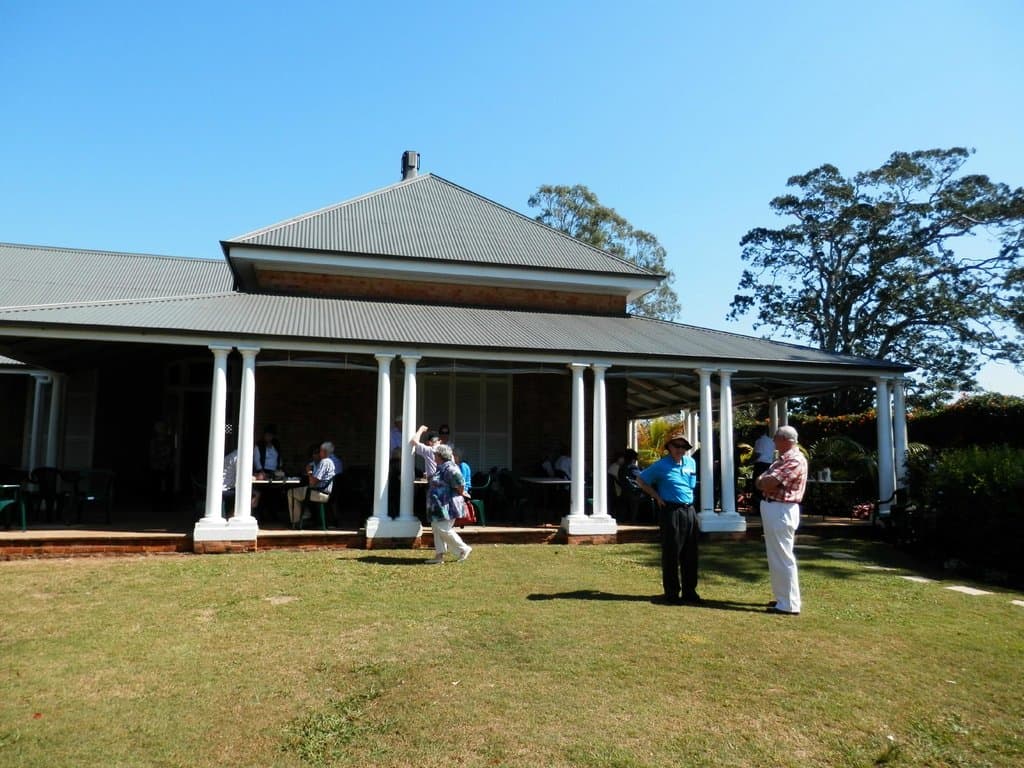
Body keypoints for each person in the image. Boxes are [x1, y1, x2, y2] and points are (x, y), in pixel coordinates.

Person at [634, 429, 700, 605]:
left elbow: (691, 485)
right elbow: (641, 480)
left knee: (690, 553)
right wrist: (656, 496)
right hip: (671, 511)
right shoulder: (661, 465)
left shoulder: (691, 463)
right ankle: (671, 593)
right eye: (676, 446)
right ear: (669, 447)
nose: (680, 449)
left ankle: (689, 592)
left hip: (689, 511)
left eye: (684, 446)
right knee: (671, 553)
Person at [755, 426, 808, 616]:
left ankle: (789, 604)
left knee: (782, 557)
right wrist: (763, 481)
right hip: (774, 508)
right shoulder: (782, 459)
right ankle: (783, 598)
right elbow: (761, 480)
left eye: (776, 438)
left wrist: (763, 481)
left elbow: (767, 482)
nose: (774, 442)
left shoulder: (794, 460)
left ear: (786, 440)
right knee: (776, 555)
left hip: (781, 509)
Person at [424, 443, 472, 564]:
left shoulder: (450, 467)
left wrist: (461, 492)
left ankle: (463, 549)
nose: (434, 456)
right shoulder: (441, 467)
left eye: (435, 454)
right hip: (438, 506)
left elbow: (460, 483)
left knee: (443, 528)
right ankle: (439, 556)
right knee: (436, 527)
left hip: (448, 505)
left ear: (440, 455)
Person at [288, 441, 340, 526]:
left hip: (319, 493)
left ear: (325, 452)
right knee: (300, 490)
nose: (319, 453)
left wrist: (309, 472)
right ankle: (305, 514)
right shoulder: (329, 462)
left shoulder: (324, 462)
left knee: (291, 492)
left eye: (320, 451)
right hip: (322, 491)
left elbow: (312, 482)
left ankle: (296, 521)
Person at [618, 449, 644, 523]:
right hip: (634, 492)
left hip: (624, 491)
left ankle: (623, 519)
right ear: (633, 459)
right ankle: (635, 519)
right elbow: (641, 477)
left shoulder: (622, 467)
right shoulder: (632, 467)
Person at [751, 430, 776, 510]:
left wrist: (749, 461)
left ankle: (758, 507)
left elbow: (758, 454)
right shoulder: (771, 441)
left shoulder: (759, 441)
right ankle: (765, 506)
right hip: (769, 465)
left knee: (758, 485)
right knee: (765, 486)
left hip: (760, 465)